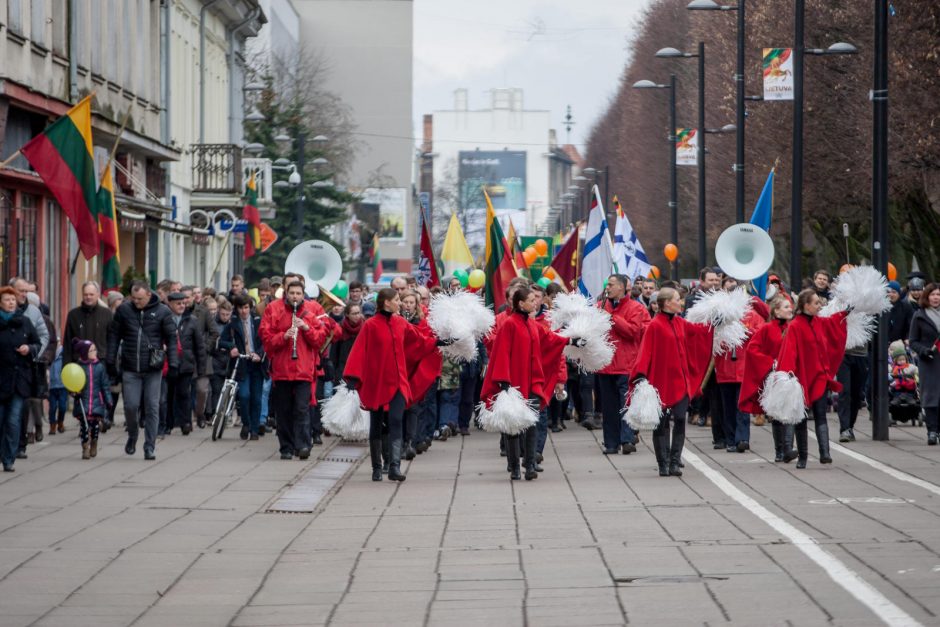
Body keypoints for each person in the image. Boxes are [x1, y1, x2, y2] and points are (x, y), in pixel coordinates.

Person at [343, 288, 441, 482]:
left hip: (398, 382)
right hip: (377, 382)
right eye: (397, 300)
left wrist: (439, 341)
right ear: (387, 303)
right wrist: (353, 378)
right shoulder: (370, 325)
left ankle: (395, 466)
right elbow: (359, 351)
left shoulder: (400, 323)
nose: (401, 303)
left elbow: (419, 341)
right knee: (377, 425)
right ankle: (377, 467)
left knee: (396, 420)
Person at [480, 286, 570, 481]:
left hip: (533, 384)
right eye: (531, 300)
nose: (535, 302)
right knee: (513, 428)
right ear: (521, 303)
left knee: (532, 425)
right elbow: (501, 353)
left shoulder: (532, 324)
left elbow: (550, 339)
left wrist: (571, 341)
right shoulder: (509, 325)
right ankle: (514, 467)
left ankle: (529, 464)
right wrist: (503, 381)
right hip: (513, 384)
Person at [631, 287, 714, 477]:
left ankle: (675, 461)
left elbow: (699, 333)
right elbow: (645, 351)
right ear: (667, 303)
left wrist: (714, 322)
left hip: (681, 382)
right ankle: (663, 463)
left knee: (679, 419)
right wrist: (641, 374)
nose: (681, 302)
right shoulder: (655, 325)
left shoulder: (680, 322)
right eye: (678, 299)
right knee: (660, 424)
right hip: (660, 383)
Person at [774, 289, 849, 468]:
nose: (819, 305)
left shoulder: (819, 322)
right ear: (806, 305)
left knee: (821, 413)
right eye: (816, 303)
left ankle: (825, 452)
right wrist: (788, 378)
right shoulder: (795, 326)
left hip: (819, 377)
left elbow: (834, 323)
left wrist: (847, 311)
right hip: (801, 380)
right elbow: (789, 353)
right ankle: (803, 457)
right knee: (800, 418)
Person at [107, 281, 178, 460]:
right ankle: (132, 435)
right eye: (133, 298)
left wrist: (174, 363)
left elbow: (171, 339)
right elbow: (114, 335)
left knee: (152, 406)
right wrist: (110, 359)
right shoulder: (124, 310)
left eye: (139, 298)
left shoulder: (163, 311)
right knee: (131, 406)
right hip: (130, 366)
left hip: (153, 368)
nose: (136, 301)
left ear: (148, 295)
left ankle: (149, 446)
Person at [259, 281, 328, 460]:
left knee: (302, 409)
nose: (295, 296)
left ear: (303, 294)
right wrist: (283, 336)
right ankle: (286, 447)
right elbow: (265, 339)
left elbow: (320, 340)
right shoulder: (274, 310)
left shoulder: (309, 314)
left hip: (303, 370)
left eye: (298, 293)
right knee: (284, 411)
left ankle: (303, 445)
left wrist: (306, 328)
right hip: (282, 370)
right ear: (286, 294)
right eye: (292, 293)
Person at [739, 297, 799, 463]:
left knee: (789, 410)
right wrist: (769, 362)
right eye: (786, 306)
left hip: (790, 375)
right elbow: (753, 349)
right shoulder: (766, 329)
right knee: (777, 412)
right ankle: (780, 451)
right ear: (776, 310)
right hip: (772, 376)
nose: (790, 309)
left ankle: (787, 448)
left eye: (790, 306)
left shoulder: (793, 328)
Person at [597, 274, 650, 455]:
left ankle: (627, 439)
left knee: (627, 404)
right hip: (605, 365)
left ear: (622, 287)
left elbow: (632, 332)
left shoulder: (637, 308)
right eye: (607, 285)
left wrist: (611, 317)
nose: (608, 288)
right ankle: (611, 443)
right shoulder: (600, 306)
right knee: (609, 407)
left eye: (611, 285)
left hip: (627, 365)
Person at [0, 287, 41, 472]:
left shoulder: (24, 322)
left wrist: (29, 349)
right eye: (7, 299)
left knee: (13, 420)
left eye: (13, 300)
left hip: (19, 380)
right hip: (1, 379)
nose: (10, 302)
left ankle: (9, 458)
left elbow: (37, 343)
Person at [220, 295, 265, 440]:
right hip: (242, 364)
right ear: (237, 309)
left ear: (250, 308)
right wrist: (231, 347)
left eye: (246, 307)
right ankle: (246, 423)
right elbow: (222, 341)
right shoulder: (232, 324)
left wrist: (259, 354)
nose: (244, 311)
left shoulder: (258, 322)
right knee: (244, 395)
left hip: (256, 364)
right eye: (241, 308)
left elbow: (266, 341)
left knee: (257, 398)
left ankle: (254, 429)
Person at [163, 293, 206, 436]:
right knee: (168, 396)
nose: (182, 306)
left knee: (184, 393)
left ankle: (186, 422)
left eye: (183, 303)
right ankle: (168, 423)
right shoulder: (165, 319)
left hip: (186, 364)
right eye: (178, 303)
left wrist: (201, 369)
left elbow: (199, 346)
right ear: (170, 304)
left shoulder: (192, 321)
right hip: (168, 364)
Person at [908, 282, 940, 445]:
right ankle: (932, 431)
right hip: (929, 361)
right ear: (927, 296)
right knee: (931, 397)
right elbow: (913, 341)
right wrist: (924, 351)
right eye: (933, 294)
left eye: (938, 295)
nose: (936, 298)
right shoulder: (919, 315)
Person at [184, 286, 219, 429]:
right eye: (183, 297)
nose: (186, 300)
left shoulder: (203, 312)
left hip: (202, 357)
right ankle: (186, 420)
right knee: (184, 391)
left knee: (202, 389)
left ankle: (200, 413)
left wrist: (206, 347)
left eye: (188, 297)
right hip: (185, 357)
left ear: (194, 297)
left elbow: (214, 332)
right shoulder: (177, 312)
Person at [70, 340, 111, 459]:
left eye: (95, 349)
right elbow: (73, 383)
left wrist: (108, 400)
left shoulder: (100, 367)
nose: (95, 352)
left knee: (95, 426)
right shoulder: (78, 368)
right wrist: (74, 392)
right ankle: (85, 447)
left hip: (97, 401)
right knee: (84, 426)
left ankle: (94, 442)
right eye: (92, 350)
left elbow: (105, 385)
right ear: (84, 353)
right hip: (83, 402)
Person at [62, 281, 113, 366]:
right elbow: (68, 343)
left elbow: (111, 341)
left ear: (97, 295)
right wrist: (66, 365)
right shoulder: (73, 315)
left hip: (101, 364)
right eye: (86, 294)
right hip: (78, 364)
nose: (88, 297)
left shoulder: (107, 314)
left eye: (91, 294)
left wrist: (111, 363)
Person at [209, 298, 233, 424]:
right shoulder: (213, 324)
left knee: (230, 390)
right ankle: (215, 413)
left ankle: (227, 414)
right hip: (217, 359)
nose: (225, 317)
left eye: (227, 314)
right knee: (217, 390)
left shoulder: (233, 324)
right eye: (222, 314)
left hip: (230, 360)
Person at [48, 345, 67, 434]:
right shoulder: (49, 356)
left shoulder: (64, 356)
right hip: (52, 387)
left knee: (62, 407)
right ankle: (52, 425)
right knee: (52, 407)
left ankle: (60, 422)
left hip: (63, 386)